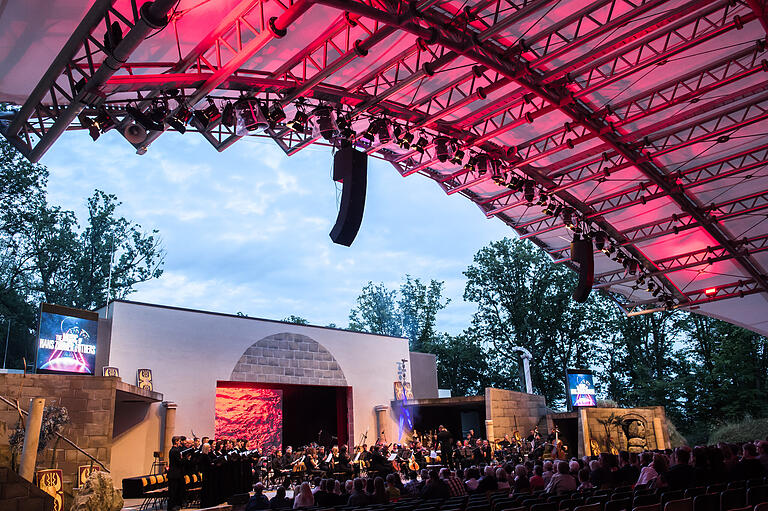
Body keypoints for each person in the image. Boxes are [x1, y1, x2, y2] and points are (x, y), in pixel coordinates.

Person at [167, 436, 185, 511]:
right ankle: (172, 506)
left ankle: (172, 506)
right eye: (179, 441)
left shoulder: (172, 450)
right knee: (174, 491)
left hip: (173, 473)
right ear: (176, 441)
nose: (180, 442)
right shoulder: (176, 451)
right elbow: (179, 462)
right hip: (175, 474)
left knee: (173, 491)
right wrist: (185, 459)